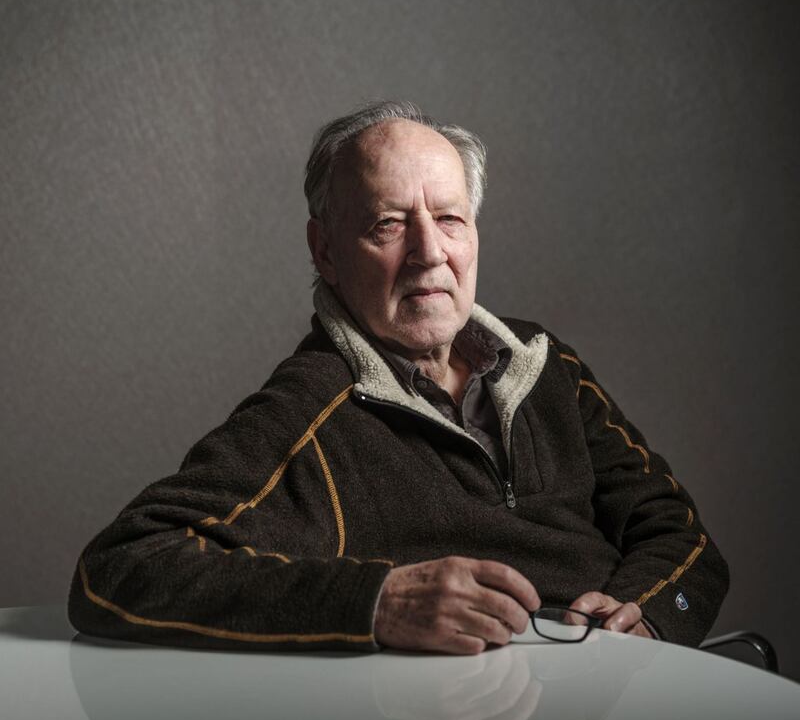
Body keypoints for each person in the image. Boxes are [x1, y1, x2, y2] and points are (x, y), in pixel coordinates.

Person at [68, 101, 729, 654]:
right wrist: (377, 603)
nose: (429, 252)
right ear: (325, 250)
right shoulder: (312, 405)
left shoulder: (543, 360)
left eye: (448, 218)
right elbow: (117, 569)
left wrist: (643, 612)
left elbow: (680, 534)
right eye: (388, 224)